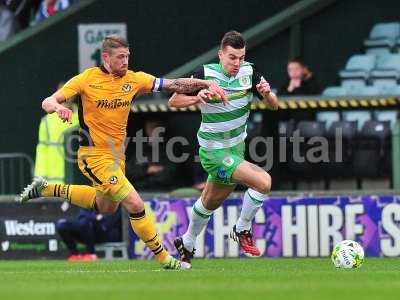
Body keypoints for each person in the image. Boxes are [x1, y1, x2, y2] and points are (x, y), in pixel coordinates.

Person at [18, 34, 226, 270]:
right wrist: (57, 107)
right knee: (135, 204)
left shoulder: (134, 79)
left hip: (117, 157)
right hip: (93, 157)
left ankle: (46, 188)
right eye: (120, 57)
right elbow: (48, 101)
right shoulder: (87, 79)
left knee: (107, 207)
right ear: (106, 57)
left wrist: (204, 83)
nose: (125, 61)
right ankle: (165, 259)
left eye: (127, 56)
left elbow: (173, 85)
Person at [168, 31, 279, 264]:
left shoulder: (250, 71)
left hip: (236, 149)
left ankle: (187, 242)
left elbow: (274, 106)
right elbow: (173, 101)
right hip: (214, 152)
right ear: (220, 55)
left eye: (240, 57)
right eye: (232, 58)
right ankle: (242, 229)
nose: (237, 63)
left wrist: (267, 94)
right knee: (263, 182)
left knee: (209, 202)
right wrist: (199, 97)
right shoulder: (205, 74)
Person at [34, 82, 79, 183]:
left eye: (69, 92)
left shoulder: (83, 118)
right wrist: (39, 180)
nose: (66, 97)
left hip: (78, 181)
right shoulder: (47, 121)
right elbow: (42, 153)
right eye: (62, 92)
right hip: (54, 183)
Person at [125, 119, 178, 191]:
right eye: (150, 127)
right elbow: (128, 171)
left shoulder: (171, 148)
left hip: (163, 192)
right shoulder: (140, 148)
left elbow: (169, 175)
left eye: (155, 127)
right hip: (140, 191)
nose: (152, 130)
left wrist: (143, 174)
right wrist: (147, 170)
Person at [57, 207, 122, 262]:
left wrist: (95, 219)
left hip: (105, 234)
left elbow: (108, 223)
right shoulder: (88, 200)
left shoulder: (113, 200)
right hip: (86, 232)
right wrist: (95, 218)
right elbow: (82, 216)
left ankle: (91, 254)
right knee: (62, 226)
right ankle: (75, 254)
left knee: (85, 223)